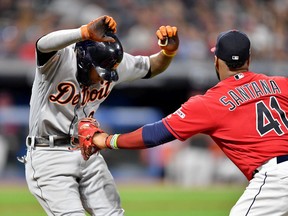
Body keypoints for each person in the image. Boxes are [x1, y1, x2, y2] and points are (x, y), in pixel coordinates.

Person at [87, 30, 288, 215]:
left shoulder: (210, 102)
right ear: (249, 59)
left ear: (216, 60)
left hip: (276, 177)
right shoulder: (281, 84)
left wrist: (108, 141)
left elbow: (156, 133)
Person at [23, 15, 179, 216]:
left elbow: (151, 67)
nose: (105, 77)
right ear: (84, 61)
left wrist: (168, 52)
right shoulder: (58, 60)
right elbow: (42, 44)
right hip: (49, 153)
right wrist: (84, 32)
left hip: (88, 152)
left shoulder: (112, 63)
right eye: (100, 71)